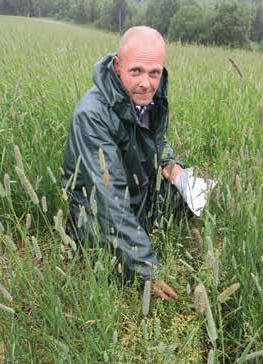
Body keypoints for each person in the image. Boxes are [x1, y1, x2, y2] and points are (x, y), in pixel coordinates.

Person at [62, 26, 184, 300]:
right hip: (96, 208)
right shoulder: (91, 115)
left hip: (136, 187)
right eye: (136, 71)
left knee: (185, 191)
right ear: (118, 66)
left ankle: (142, 231)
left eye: (154, 73)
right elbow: (109, 196)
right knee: (114, 270)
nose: (146, 83)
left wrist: (169, 162)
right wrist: (147, 267)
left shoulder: (152, 96)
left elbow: (157, 140)